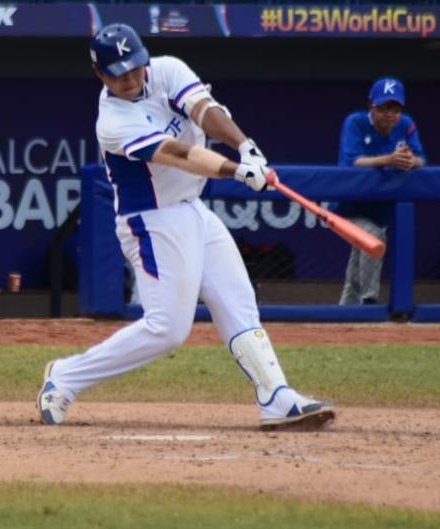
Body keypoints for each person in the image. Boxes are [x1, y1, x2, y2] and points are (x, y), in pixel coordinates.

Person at [37, 23, 335, 430]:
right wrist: (236, 171)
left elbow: (204, 110)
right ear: (100, 75)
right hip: (151, 219)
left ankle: (276, 397)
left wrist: (245, 147)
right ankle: (65, 377)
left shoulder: (167, 69)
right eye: (118, 73)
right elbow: (179, 153)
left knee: (237, 300)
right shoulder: (112, 121)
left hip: (192, 209)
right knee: (168, 329)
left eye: (135, 67)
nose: (130, 78)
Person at [333, 77, 426, 305]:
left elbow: (422, 160)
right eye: (383, 108)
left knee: (358, 265)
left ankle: (346, 312)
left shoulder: (406, 124)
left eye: (394, 109)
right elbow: (352, 163)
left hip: (379, 210)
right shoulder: (355, 122)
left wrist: (410, 161)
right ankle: (369, 300)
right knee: (373, 236)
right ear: (371, 107)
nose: (389, 114)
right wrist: (390, 159)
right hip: (347, 208)